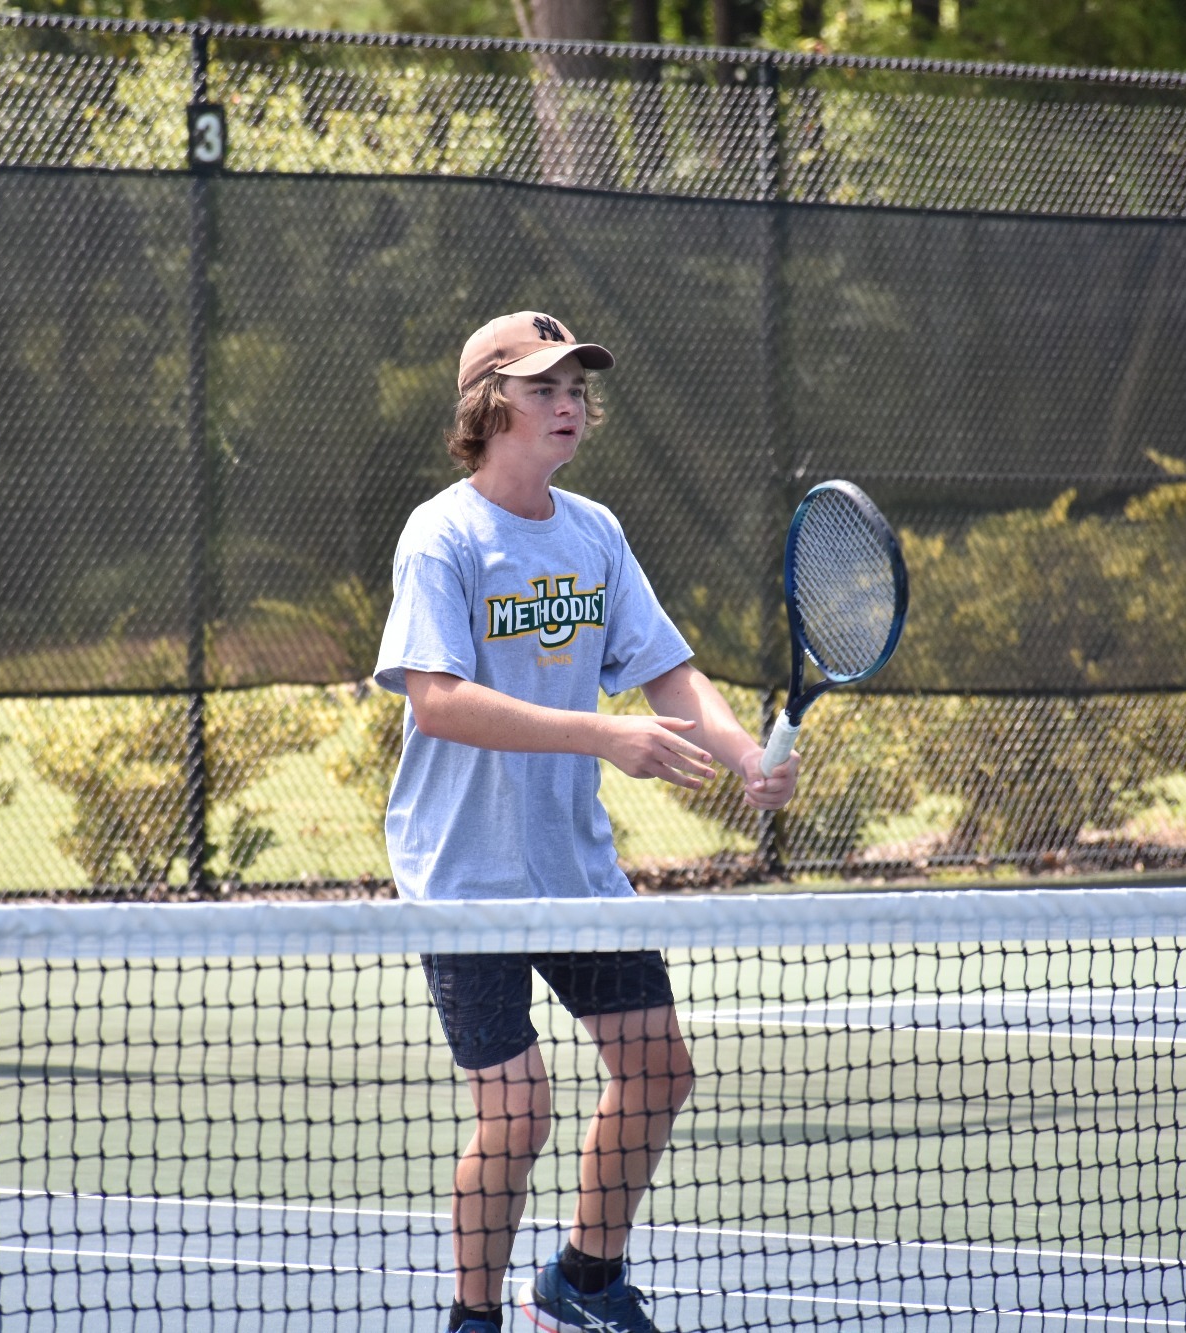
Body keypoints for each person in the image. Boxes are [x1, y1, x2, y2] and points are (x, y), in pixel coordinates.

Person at [372, 312, 800, 1333]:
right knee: (515, 1114)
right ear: (487, 406)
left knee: (658, 1070)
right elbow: (435, 698)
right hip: (463, 879)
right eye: (541, 386)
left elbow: (666, 673)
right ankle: (475, 1317)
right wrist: (603, 737)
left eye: (575, 385)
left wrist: (743, 752)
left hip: (572, 868)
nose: (567, 402)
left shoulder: (593, 533)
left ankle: (583, 1280)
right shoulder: (443, 536)